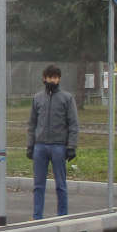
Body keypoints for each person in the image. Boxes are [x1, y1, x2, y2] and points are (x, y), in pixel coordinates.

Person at [26, 64, 78, 219]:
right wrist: (30, 145)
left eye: (55, 77)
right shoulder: (37, 98)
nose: (52, 80)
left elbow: (73, 124)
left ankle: (62, 216)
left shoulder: (67, 98)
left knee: (61, 185)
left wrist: (71, 146)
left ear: (59, 79)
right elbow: (32, 124)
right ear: (44, 78)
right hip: (40, 146)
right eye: (50, 77)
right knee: (38, 185)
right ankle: (37, 217)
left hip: (58, 146)